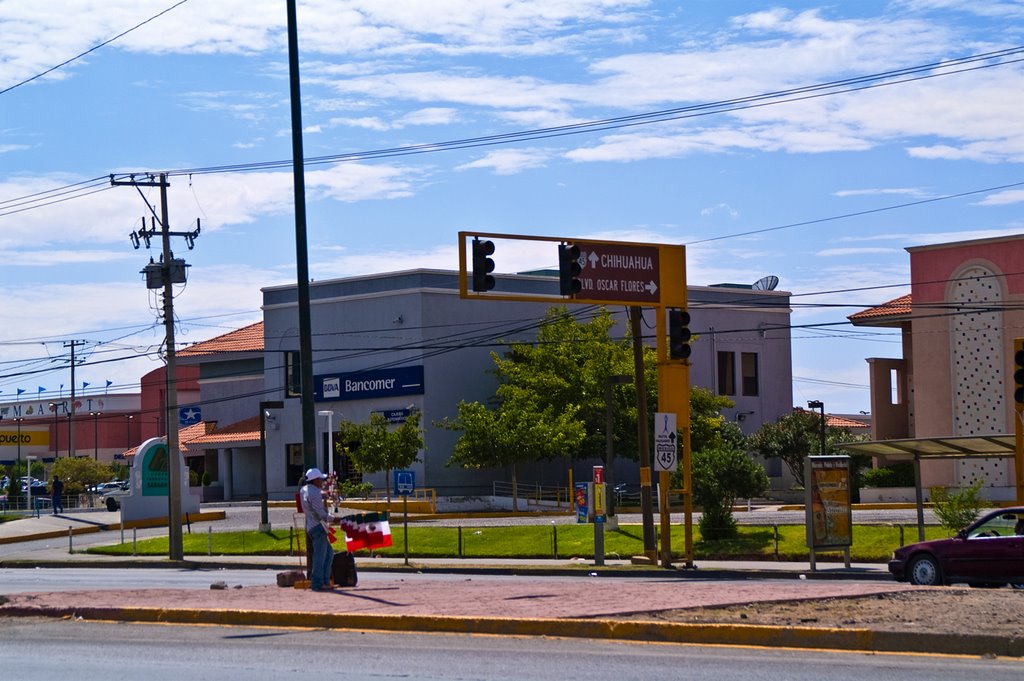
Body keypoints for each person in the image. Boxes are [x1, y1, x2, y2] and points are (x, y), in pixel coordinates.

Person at [300, 468, 338, 592]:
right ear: (315, 480)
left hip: (311, 526)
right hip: (318, 526)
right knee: (320, 556)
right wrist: (334, 519)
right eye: (320, 479)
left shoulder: (304, 490)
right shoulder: (315, 493)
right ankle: (318, 583)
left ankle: (324, 581)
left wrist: (324, 494)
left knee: (328, 554)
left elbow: (313, 498)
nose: (322, 481)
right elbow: (321, 513)